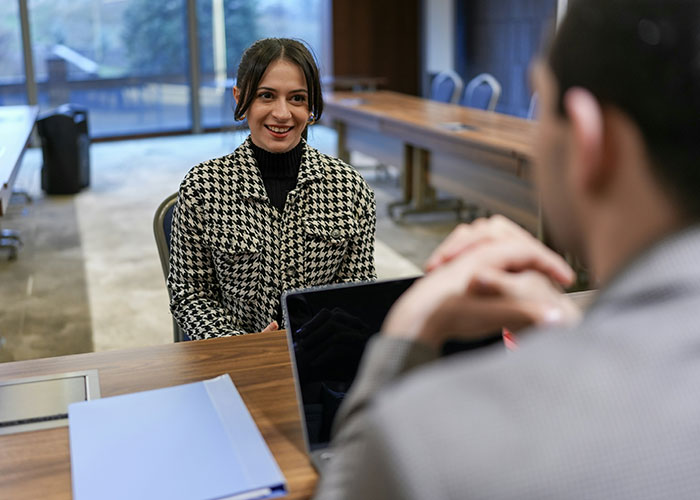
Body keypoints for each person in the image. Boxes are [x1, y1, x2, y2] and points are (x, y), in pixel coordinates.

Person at [314, 0, 700, 498]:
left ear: (589, 140)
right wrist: (578, 335)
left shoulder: (426, 446)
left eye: (540, 104)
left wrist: (408, 331)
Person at [168, 38, 376, 340]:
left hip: (322, 358)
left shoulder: (349, 188)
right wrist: (243, 346)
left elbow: (358, 291)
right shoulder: (203, 188)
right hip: (235, 357)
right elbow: (190, 294)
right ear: (240, 99)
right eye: (266, 96)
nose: (282, 113)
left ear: (312, 107)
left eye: (297, 99)